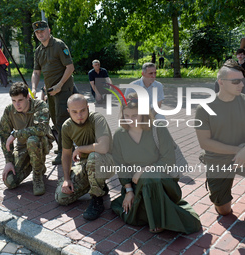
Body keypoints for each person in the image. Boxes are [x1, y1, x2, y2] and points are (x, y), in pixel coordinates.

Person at [111, 93, 201, 234]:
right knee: (128, 209)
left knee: (149, 177)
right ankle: (156, 214)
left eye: (134, 116)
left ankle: (158, 221)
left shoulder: (157, 128)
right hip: (135, 184)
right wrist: (128, 191)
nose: (130, 120)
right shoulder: (119, 134)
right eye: (126, 116)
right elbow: (121, 165)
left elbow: (168, 161)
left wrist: (143, 170)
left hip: (163, 183)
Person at [195, 59, 245, 216]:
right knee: (224, 211)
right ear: (221, 82)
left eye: (242, 81)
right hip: (218, 158)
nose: (241, 85)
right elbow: (205, 142)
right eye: (236, 81)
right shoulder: (204, 108)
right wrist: (239, 150)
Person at [55, 94, 114, 220]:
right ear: (68, 111)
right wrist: (66, 179)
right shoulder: (67, 127)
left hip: (107, 162)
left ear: (88, 108)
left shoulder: (97, 119)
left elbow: (103, 148)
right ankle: (98, 184)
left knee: (93, 157)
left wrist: (80, 149)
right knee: (62, 197)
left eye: (82, 110)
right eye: (74, 112)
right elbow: (66, 154)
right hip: (86, 165)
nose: (79, 115)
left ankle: (97, 199)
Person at [31, 20, 75, 165]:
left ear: (49, 31)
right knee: (55, 121)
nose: (40, 34)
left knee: (61, 120)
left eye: (42, 31)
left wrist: (60, 85)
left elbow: (70, 67)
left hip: (63, 89)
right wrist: (33, 88)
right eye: (37, 32)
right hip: (50, 91)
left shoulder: (59, 45)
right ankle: (65, 145)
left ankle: (64, 151)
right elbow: (36, 73)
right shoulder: (38, 51)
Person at [0, 82, 53, 195]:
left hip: (41, 144)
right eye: (13, 101)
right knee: (10, 182)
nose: (17, 104)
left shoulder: (40, 105)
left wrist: (15, 134)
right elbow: (4, 135)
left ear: (28, 97)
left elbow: (41, 129)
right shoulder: (9, 110)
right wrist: (9, 161)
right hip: (22, 147)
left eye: (20, 100)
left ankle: (37, 176)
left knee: (32, 140)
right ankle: (37, 165)